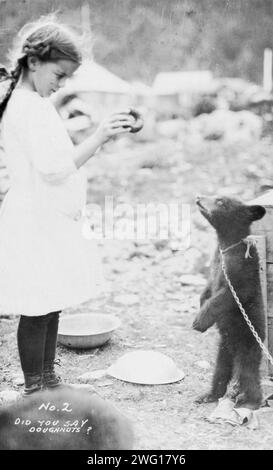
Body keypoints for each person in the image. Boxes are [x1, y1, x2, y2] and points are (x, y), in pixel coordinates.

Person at [0, 16, 135, 396]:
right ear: (34, 62)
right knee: (37, 302)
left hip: (47, 214)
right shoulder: (27, 106)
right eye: (59, 75)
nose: (61, 84)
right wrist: (99, 136)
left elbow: (53, 154)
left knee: (51, 297)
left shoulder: (33, 102)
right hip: (35, 217)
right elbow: (54, 167)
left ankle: (48, 379)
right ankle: (35, 386)